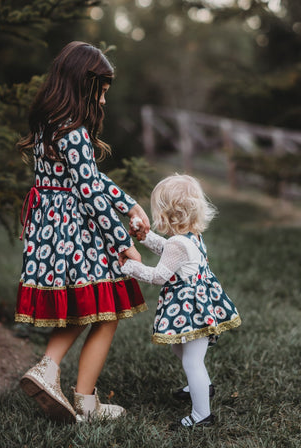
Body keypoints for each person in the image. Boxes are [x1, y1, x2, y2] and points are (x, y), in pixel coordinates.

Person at [15, 41, 150, 423]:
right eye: (101, 92)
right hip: (74, 231)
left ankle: (51, 370)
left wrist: (128, 203)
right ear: (83, 84)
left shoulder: (50, 124)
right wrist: (124, 246)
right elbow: (88, 191)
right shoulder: (73, 131)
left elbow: (89, 177)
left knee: (88, 304)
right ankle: (81, 397)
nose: (104, 102)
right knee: (104, 309)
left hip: (51, 229)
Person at [120, 174, 241, 429]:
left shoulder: (178, 242)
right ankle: (201, 385)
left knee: (191, 360)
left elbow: (158, 276)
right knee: (182, 350)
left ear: (166, 214)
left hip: (191, 310)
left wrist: (129, 267)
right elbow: (169, 251)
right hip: (200, 304)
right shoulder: (191, 236)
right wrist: (145, 237)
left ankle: (201, 416)